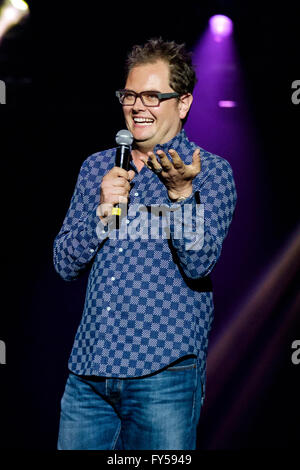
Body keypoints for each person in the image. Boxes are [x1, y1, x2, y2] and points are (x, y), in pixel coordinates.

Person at [53, 38, 237, 450]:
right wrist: (101, 213)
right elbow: (64, 264)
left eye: (153, 96)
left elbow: (199, 263)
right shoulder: (97, 167)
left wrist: (181, 198)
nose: (138, 106)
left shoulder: (209, 173)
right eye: (130, 95)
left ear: (183, 103)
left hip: (163, 376)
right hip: (88, 375)